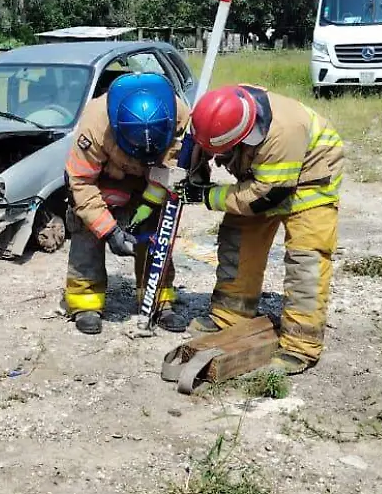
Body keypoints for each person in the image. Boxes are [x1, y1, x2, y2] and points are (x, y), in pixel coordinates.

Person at [180, 84, 343, 375]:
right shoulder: (215, 113)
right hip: (264, 171)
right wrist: (194, 171)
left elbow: (263, 197)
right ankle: (230, 315)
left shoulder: (283, 131)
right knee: (238, 238)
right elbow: (199, 146)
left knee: (306, 259)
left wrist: (206, 196)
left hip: (312, 172)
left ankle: (300, 345)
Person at [62, 72, 191, 335]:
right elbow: (81, 184)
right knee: (85, 222)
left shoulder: (179, 117)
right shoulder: (95, 126)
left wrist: (150, 203)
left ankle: (158, 298)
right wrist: (109, 231)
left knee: (157, 227)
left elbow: (175, 166)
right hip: (106, 178)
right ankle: (85, 302)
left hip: (152, 176)